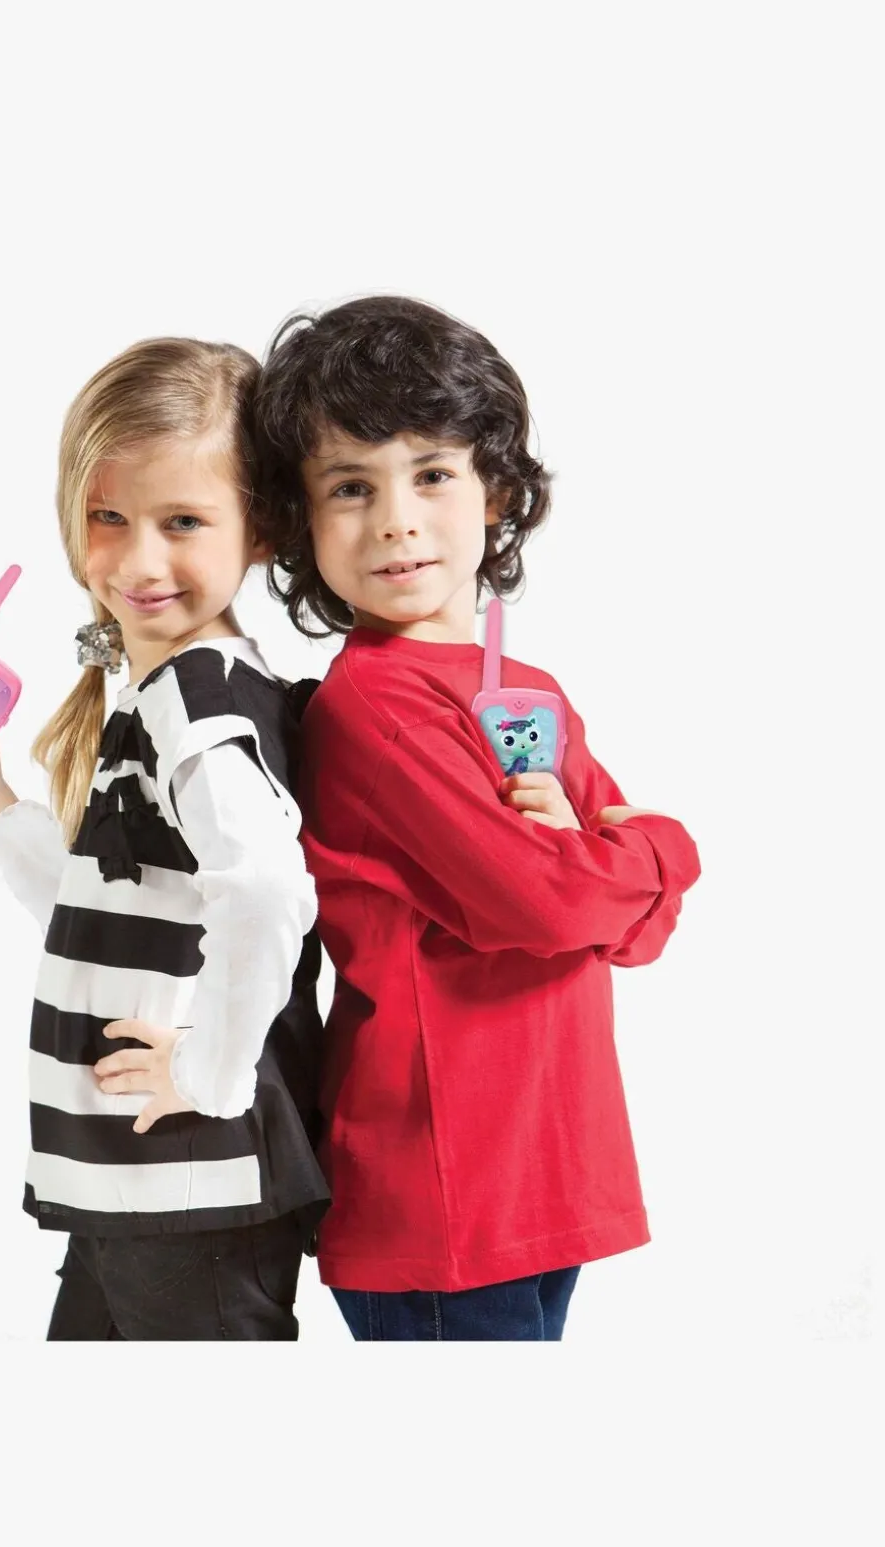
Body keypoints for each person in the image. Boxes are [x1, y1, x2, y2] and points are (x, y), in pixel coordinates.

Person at [249, 295, 702, 1341]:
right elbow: (550, 904)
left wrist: (609, 866)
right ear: (301, 522)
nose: (396, 519)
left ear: (494, 487)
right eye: (350, 486)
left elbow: (638, 932)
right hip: (444, 1190)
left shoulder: (525, 691)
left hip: (545, 1170)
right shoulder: (377, 708)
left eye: (432, 473)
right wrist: (662, 845)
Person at [0, 338, 329, 1339]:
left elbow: (267, 893)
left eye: (183, 521)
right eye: (108, 516)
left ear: (261, 528)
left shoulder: (200, 706)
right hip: (144, 1184)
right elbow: (115, 904)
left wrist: (207, 1074)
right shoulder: (169, 693)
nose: (139, 558)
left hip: (192, 1186)